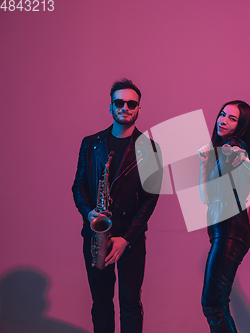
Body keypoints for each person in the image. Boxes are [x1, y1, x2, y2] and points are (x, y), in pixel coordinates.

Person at [72, 78, 162, 333]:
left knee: (131, 304)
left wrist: (127, 238)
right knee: (101, 304)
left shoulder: (151, 149)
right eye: (119, 102)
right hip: (96, 234)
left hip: (129, 239)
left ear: (138, 109)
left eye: (131, 103)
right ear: (110, 107)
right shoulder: (90, 144)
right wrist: (89, 212)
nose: (125, 107)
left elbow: (150, 199)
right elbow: (78, 186)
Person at [198, 100, 250, 333]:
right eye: (223, 114)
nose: (223, 120)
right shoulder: (222, 151)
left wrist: (239, 159)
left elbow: (243, 191)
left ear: (241, 126)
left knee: (214, 304)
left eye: (232, 118)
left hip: (231, 232)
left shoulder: (234, 149)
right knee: (215, 304)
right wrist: (204, 166)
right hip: (223, 232)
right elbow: (205, 197)